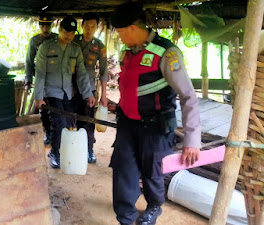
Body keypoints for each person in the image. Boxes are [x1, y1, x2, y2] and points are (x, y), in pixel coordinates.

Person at [110, 2, 201, 225]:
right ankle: (125, 217)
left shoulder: (166, 53)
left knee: (152, 172)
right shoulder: (128, 53)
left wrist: (192, 140)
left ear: (132, 28)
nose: (120, 38)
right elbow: (130, 87)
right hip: (128, 124)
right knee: (124, 170)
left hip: (156, 126)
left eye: (121, 32)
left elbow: (188, 96)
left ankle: (153, 206)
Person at [34, 16, 96, 168]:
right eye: (66, 32)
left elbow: (81, 74)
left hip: (68, 92)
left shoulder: (75, 49)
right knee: (59, 122)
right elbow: (40, 74)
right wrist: (39, 97)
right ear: (60, 30)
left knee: (69, 123)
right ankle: (54, 152)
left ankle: (66, 151)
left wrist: (88, 94)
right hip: (51, 92)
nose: (69, 36)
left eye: (72, 33)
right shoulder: (46, 48)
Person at [72, 12, 108, 164]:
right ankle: (73, 149)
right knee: (70, 118)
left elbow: (104, 71)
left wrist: (104, 95)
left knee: (88, 120)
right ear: (82, 25)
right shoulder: (73, 41)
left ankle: (89, 150)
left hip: (90, 88)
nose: (89, 29)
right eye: (87, 25)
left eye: (93, 26)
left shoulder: (99, 46)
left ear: (97, 27)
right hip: (71, 87)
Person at [25, 13, 57, 145]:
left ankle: (56, 134)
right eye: (43, 25)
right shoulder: (35, 41)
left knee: (56, 107)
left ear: (51, 25)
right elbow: (29, 61)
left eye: (48, 25)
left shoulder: (57, 38)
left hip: (55, 79)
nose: (45, 28)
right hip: (41, 79)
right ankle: (48, 133)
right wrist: (28, 80)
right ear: (39, 25)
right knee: (43, 108)